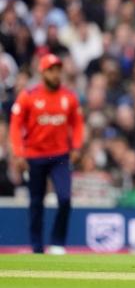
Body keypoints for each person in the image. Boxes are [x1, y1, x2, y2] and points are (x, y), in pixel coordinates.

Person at [9, 54, 84, 254]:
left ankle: (57, 243)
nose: (56, 74)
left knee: (65, 198)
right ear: (43, 72)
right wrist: (19, 153)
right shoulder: (28, 96)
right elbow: (15, 126)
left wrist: (76, 147)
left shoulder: (69, 97)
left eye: (58, 69)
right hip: (34, 156)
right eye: (51, 70)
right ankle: (37, 247)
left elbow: (77, 124)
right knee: (36, 202)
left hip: (60, 156)